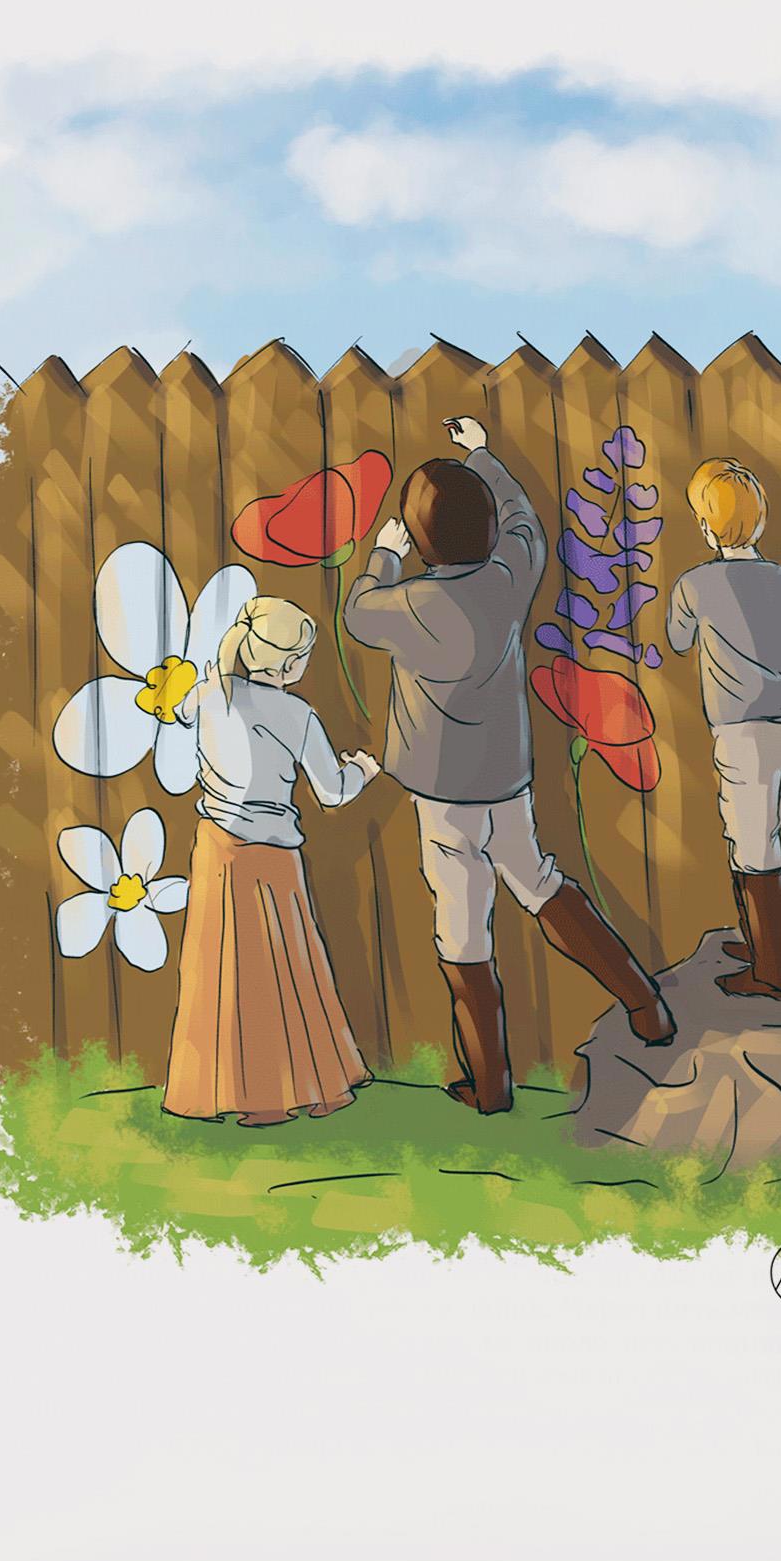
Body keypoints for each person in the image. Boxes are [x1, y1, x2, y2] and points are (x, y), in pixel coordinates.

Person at [345, 416, 672, 1109]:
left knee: (462, 934)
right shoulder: (507, 579)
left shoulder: (405, 603)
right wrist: (484, 456)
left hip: (441, 797)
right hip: (506, 786)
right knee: (543, 885)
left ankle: (490, 1085)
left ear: (420, 541)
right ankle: (646, 1006)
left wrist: (383, 554)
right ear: (489, 530)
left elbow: (356, 613)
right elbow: (529, 526)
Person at [164, 594, 377, 1125]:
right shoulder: (298, 714)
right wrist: (363, 771)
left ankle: (217, 1091)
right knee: (287, 970)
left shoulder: (208, 695)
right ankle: (297, 1089)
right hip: (274, 856)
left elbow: (177, 712)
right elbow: (332, 791)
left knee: (217, 971)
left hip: (216, 849)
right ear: (289, 665)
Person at [665, 459, 781, 1003]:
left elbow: (677, 640)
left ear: (705, 527)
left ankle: (774, 972)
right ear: (761, 521)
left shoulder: (694, 584)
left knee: (753, 846)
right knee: (763, 834)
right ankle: (760, 944)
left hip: (741, 734)